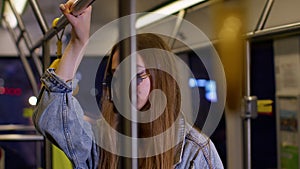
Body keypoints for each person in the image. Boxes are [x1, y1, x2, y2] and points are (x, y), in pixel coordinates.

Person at [33, 0, 224, 169]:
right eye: (116, 76)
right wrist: (78, 43)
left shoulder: (194, 152)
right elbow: (51, 115)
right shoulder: (102, 140)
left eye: (136, 75)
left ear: (161, 78)